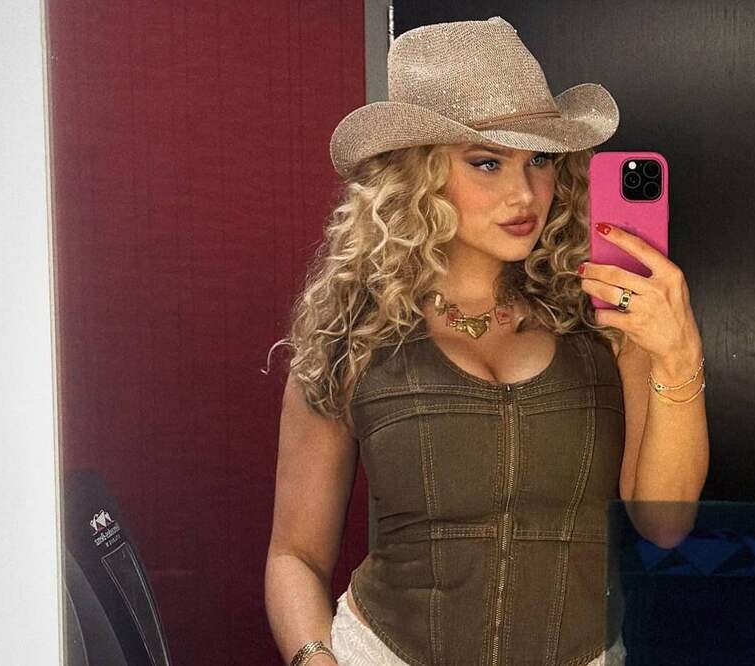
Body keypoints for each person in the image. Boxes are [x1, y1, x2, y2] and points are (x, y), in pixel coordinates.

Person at [264, 16, 709, 666]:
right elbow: (294, 555)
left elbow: (664, 524)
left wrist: (678, 351)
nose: (524, 194)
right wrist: (315, 659)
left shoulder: (607, 320)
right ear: (417, 174)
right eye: (487, 162)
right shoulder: (351, 335)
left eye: (539, 161)